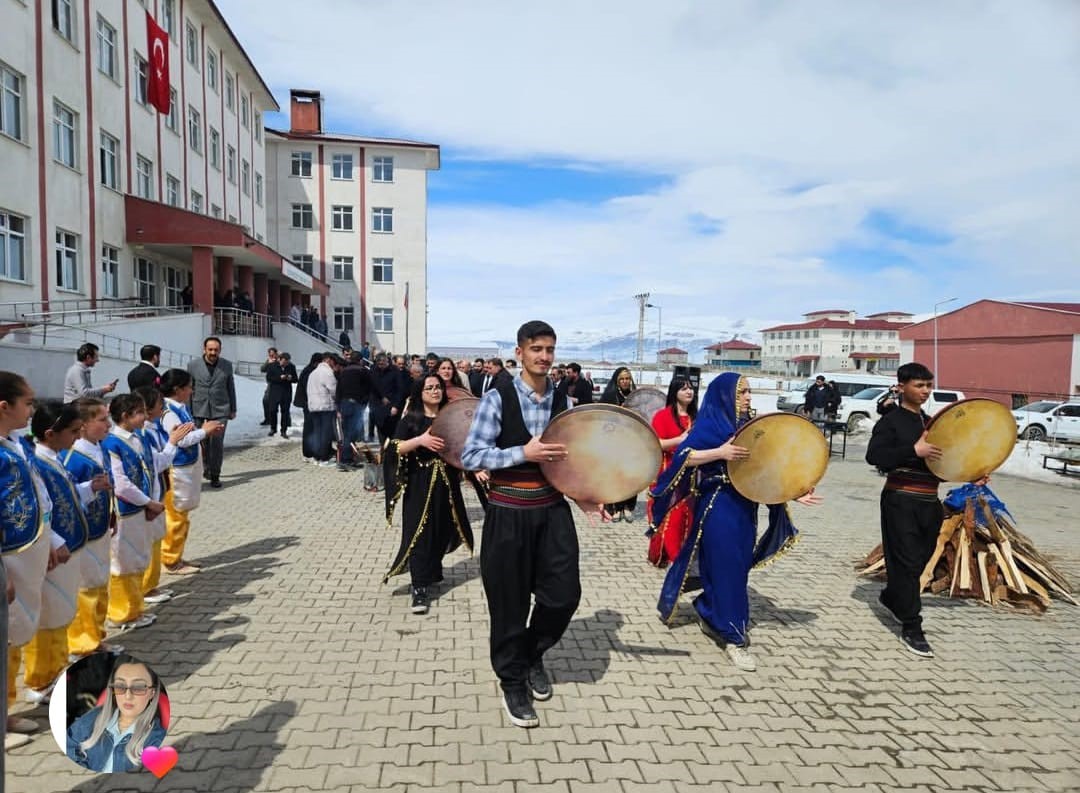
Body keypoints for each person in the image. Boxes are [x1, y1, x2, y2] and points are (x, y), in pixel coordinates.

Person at [461, 321, 602, 729]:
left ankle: (530, 654)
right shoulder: (497, 398)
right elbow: (471, 456)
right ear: (519, 352)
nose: (544, 356)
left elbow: (573, 461)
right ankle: (512, 680)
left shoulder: (566, 403)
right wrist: (524, 451)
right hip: (508, 513)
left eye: (550, 349)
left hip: (553, 512)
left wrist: (585, 499)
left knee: (563, 596)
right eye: (536, 348)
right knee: (509, 604)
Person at [652, 374, 821, 672]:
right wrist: (720, 452)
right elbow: (683, 457)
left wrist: (793, 493)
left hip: (746, 507)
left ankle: (708, 610)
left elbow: (767, 468)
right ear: (724, 395)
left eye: (749, 392)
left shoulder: (749, 429)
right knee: (728, 566)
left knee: (736, 567)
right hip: (718, 507)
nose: (747, 397)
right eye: (741, 392)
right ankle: (734, 636)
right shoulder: (711, 424)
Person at [865, 362, 948, 658]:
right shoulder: (891, 421)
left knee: (918, 562)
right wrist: (914, 451)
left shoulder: (930, 422)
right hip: (900, 498)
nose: (925, 391)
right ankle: (912, 626)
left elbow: (942, 461)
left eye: (928, 385)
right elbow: (874, 456)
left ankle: (891, 597)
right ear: (901, 387)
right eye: (919, 385)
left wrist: (972, 472)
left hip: (930, 502)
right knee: (905, 562)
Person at [382, 375, 475, 614]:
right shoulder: (412, 418)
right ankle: (419, 588)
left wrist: (477, 470)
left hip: (447, 484)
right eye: (429, 388)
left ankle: (431, 573)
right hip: (420, 484)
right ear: (420, 392)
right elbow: (394, 448)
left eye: (438, 387)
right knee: (419, 533)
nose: (435, 391)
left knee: (440, 531)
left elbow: (463, 446)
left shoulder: (450, 416)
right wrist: (421, 440)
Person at [25, 401, 96, 704]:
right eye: (73, 431)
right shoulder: (37, 463)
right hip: (55, 550)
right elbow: (39, 508)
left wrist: (92, 487)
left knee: (61, 611)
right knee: (49, 615)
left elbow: (65, 497)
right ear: (51, 433)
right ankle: (40, 679)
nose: (76, 437)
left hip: (68, 547)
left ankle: (55, 671)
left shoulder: (54, 458)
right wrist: (54, 541)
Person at [1, 371, 53, 742]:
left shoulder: (16, 442)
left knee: (13, 634)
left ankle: (6, 710)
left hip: (25, 553)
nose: (32, 409)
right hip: (8, 560)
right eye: (28, 402)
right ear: (4, 406)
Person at [63, 398, 122, 660]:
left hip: (99, 528)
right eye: (101, 419)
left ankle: (96, 637)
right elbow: (64, 497)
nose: (108, 424)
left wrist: (111, 513)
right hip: (82, 533)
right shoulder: (74, 458)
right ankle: (81, 643)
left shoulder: (99, 448)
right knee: (85, 587)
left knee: (99, 582)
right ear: (83, 425)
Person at [159, 370, 220, 576]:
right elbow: (180, 439)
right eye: (189, 387)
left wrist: (202, 430)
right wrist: (205, 432)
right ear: (178, 389)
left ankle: (175, 554)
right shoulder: (168, 412)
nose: (191, 391)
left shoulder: (179, 408)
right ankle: (170, 559)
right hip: (177, 471)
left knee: (182, 515)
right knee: (176, 515)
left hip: (187, 468)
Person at [66, 655, 167, 772]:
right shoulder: (92, 718)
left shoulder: (155, 739)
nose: (128, 696)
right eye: (120, 686)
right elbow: (68, 747)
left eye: (138, 687)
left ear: (152, 693)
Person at [646, 377, 697, 567]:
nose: (688, 392)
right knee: (669, 513)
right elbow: (656, 443)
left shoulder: (697, 417)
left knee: (686, 514)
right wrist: (680, 440)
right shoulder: (663, 416)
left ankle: (682, 553)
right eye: (683, 389)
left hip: (691, 473)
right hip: (668, 472)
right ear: (674, 392)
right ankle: (669, 553)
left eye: (690, 388)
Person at [186, 337, 236, 489]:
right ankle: (206, 466)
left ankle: (215, 474)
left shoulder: (226, 365)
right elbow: (189, 388)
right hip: (199, 408)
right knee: (202, 441)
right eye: (210, 349)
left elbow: (230, 386)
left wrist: (233, 408)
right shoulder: (193, 365)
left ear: (220, 350)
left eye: (216, 350)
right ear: (204, 349)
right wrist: (188, 410)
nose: (213, 352)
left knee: (217, 443)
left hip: (221, 408)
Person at [599, 367, 639, 522]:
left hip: (632, 441)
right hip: (614, 441)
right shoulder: (610, 396)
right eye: (622, 379)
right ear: (617, 381)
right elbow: (602, 418)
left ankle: (628, 506)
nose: (625, 381)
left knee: (631, 475)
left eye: (627, 378)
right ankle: (614, 507)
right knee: (615, 475)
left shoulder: (636, 397)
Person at [336, 354, 376, 469]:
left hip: (344, 404)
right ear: (360, 360)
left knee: (346, 431)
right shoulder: (363, 371)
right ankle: (346, 460)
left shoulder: (343, 372)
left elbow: (338, 390)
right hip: (356, 404)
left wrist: (338, 407)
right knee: (351, 433)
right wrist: (364, 401)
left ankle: (347, 458)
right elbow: (370, 387)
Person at [306, 353, 343, 466]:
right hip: (325, 406)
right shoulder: (327, 373)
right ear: (328, 360)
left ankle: (317, 456)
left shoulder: (313, 373)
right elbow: (334, 390)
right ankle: (323, 458)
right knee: (325, 433)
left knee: (317, 432)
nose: (334, 364)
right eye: (333, 361)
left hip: (314, 406)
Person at [266, 352, 297, 438]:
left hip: (286, 392)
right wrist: (280, 378)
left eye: (287, 362)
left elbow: (296, 379)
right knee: (272, 411)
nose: (286, 363)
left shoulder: (291, 367)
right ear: (280, 359)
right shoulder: (272, 366)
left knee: (285, 412)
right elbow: (269, 378)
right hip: (274, 392)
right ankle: (273, 428)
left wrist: (290, 378)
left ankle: (284, 430)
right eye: (284, 361)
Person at [259, 348, 279, 427]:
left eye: (272, 354)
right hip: (270, 384)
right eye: (270, 354)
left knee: (282, 402)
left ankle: (287, 420)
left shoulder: (280, 360)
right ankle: (268, 419)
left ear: (276, 354)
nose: (271, 355)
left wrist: (276, 361)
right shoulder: (269, 361)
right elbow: (262, 369)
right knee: (265, 400)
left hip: (279, 384)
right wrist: (268, 363)